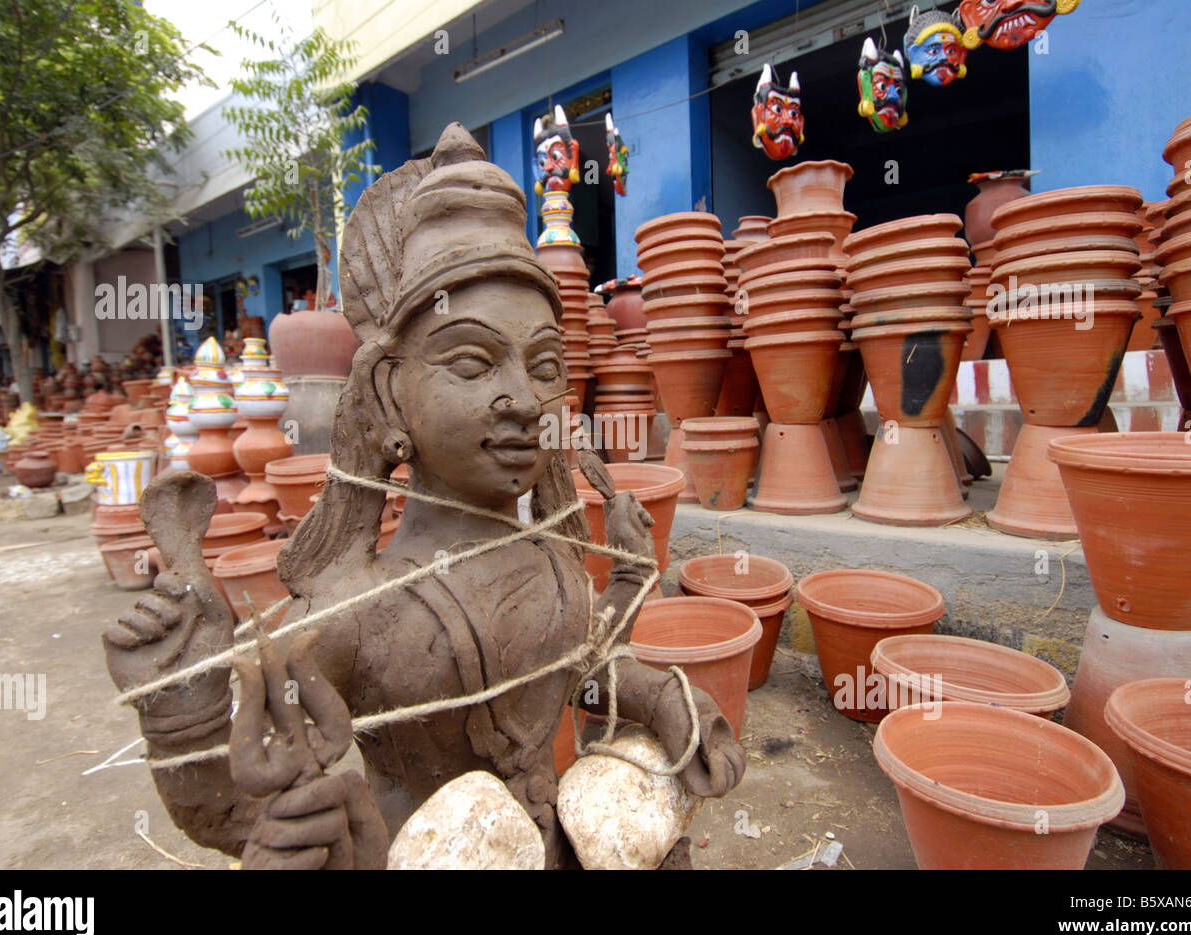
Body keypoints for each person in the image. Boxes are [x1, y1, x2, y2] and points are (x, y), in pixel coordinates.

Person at [102, 123, 744, 869]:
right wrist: (184, 714)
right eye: (472, 363)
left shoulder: (548, 559)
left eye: (542, 365)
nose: (522, 399)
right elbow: (235, 808)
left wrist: (660, 698)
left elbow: (578, 671)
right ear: (389, 392)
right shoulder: (357, 612)